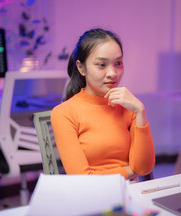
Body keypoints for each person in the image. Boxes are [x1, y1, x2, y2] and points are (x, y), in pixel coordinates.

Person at [51, 28, 155, 180]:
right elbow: (82, 179)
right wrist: (130, 171)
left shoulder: (130, 106)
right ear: (81, 68)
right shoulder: (64, 113)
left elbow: (144, 168)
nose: (113, 73)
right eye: (102, 65)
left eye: (118, 63)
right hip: (92, 198)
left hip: (132, 194)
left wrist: (140, 110)